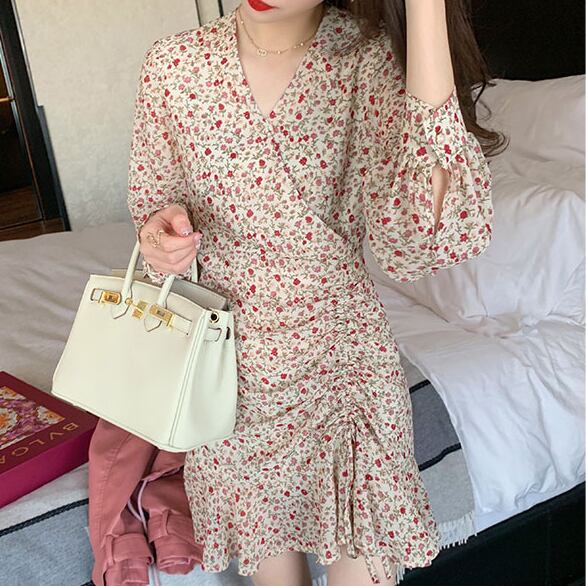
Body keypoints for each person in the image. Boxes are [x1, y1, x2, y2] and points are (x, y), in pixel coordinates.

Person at [127, 1, 499, 584]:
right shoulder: (174, 65)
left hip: (341, 367)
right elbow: (155, 201)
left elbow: (424, 231)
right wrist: (159, 239)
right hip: (230, 372)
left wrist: (425, 6)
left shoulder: (368, 59)